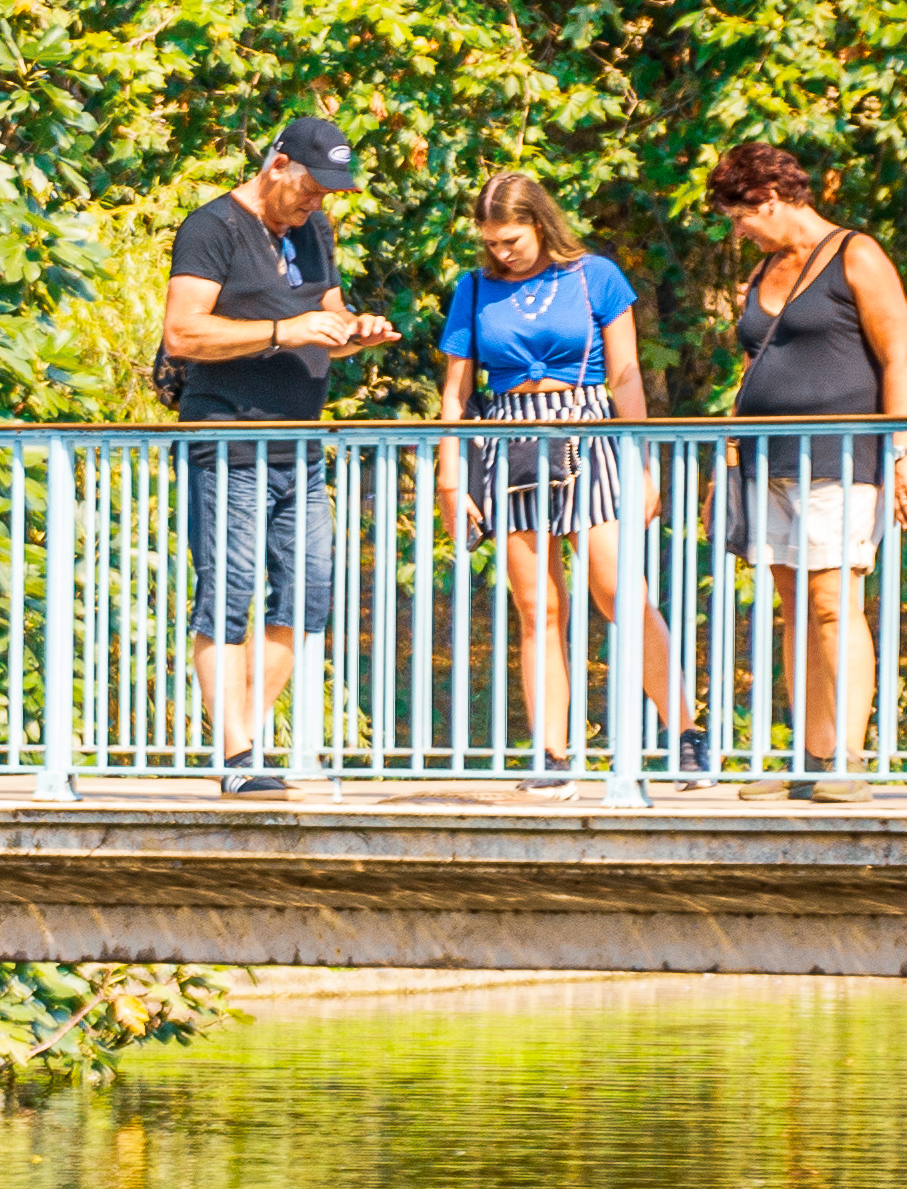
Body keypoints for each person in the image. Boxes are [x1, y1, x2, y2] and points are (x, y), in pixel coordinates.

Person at [158, 117, 399, 795]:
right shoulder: (212, 228)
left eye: (327, 193)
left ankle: (247, 749)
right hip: (231, 439)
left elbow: (328, 324)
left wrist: (357, 333)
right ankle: (236, 757)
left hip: (301, 443)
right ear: (277, 164)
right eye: (310, 187)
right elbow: (182, 333)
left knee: (306, 595)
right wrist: (281, 329)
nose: (316, 202)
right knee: (229, 599)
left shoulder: (314, 233)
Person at [433, 171, 686, 787]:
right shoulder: (473, 290)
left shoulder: (593, 275)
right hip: (510, 436)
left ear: (541, 224)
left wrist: (643, 461)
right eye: (491, 242)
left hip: (588, 428)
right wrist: (449, 481)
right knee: (536, 605)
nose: (502, 252)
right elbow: (455, 394)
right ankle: (551, 754)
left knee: (618, 589)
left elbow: (626, 374)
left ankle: (686, 736)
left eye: (512, 239)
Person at [712, 142, 907, 804]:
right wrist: (731, 452)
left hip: (840, 455)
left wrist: (901, 449)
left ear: (768, 200)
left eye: (739, 218)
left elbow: (902, 355)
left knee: (835, 602)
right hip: (768, 459)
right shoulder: (767, 268)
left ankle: (847, 760)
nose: (737, 232)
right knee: (794, 606)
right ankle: (811, 754)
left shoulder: (855, 253)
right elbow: (755, 369)